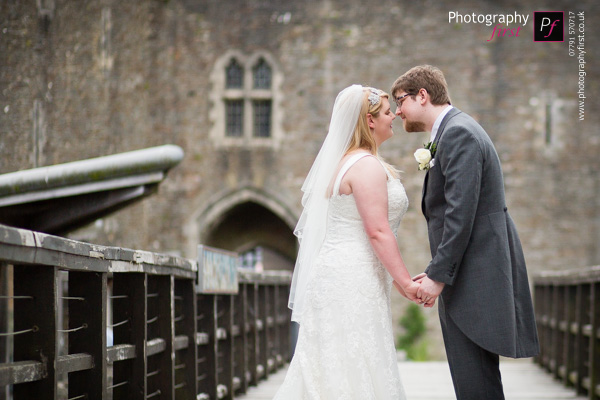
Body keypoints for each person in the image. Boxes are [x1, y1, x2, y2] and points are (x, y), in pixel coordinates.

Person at [391, 65, 539, 399]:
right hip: (470, 272)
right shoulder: (453, 131)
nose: (398, 110)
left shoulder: (458, 133)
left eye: (401, 101)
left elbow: (461, 212)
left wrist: (438, 276)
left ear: (423, 96)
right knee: (472, 378)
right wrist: (436, 271)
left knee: (476, 382)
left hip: (476, 274)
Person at [274, 85, 419, 400]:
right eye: (385, 112)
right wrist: (406, 282)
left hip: (346, 273)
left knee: (338, 365)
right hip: (352, 278)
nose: (393, 115)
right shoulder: (365, 166)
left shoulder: (350, 161)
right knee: (350, 366)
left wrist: (394, 277)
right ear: (369, 120)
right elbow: (378, 231)